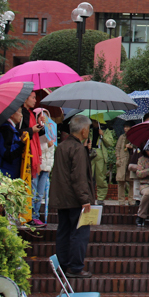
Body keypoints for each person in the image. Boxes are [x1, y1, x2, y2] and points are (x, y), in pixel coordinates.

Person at [49, 115, 95, 278]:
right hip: (76, 199)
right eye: (88, 129)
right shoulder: (77, 149)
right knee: (80, 232)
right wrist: (85, 199)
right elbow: (78, 176)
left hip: (62, 198)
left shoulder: (62, 146)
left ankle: (62, 264)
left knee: (63, 231)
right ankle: (75, 267)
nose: (88, 132)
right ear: (83, 130)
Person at [18, 92, 45, 225]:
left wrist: (40, 123)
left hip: (33, 150)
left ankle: (29, 214)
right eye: (33, 98)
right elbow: (19, 131)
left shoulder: (31, 113)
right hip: (25, 152)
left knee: (31, 185)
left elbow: (38, 133)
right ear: (25, 98)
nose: (35, 100)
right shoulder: (21, 112)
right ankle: (26, 215)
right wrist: (31, 130)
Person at [0, 109, 25, 179]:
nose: (21, 115)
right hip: (2, 172)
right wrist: (21, 143)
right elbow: (7, 153)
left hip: (9, 172)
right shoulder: (6, 130)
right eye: (19, 112)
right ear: (12, 114)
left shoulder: (11, 129)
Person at [34, 108, 55, 223]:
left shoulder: (51, 131)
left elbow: (51, 147)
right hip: (37, 165)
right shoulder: (36, 130)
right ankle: (32, 215)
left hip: (46, 167)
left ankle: (36, 215)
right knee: (34, 192)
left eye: (47, 117)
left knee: (40, 193)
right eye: (42, 116)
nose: (44, 119)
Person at [89, 119, 109, 205]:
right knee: (88, 176)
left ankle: (101, 198)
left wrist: (103, 135)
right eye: (93, 121)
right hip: (90, 154)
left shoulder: (106, 130)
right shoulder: (88, 130)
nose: (94, 123)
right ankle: (88, 197)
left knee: (101, 177)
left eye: (96, 121)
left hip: (100, 154)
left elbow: (110, 143)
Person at [115, 121, 134, 206]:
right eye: (125, 127)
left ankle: (131, 199)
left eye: (127, 127)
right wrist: (118, 158)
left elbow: (138, 147)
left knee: (131, 181)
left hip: (131, 160)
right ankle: (121, 200)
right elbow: (117, 148)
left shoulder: (134, 136)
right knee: (121, 181)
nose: (125, 128)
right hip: (122, 161)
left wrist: (131, 147)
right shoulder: (121, 137)